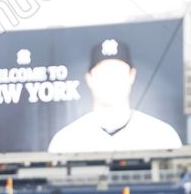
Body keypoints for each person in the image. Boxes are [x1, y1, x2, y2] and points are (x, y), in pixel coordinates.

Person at [47, 38, 182, 153]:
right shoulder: (65, 141)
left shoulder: (162, 136)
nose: (111, 80)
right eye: (103, 73)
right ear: (89, 78)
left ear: (132, 76)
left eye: (117, 72)